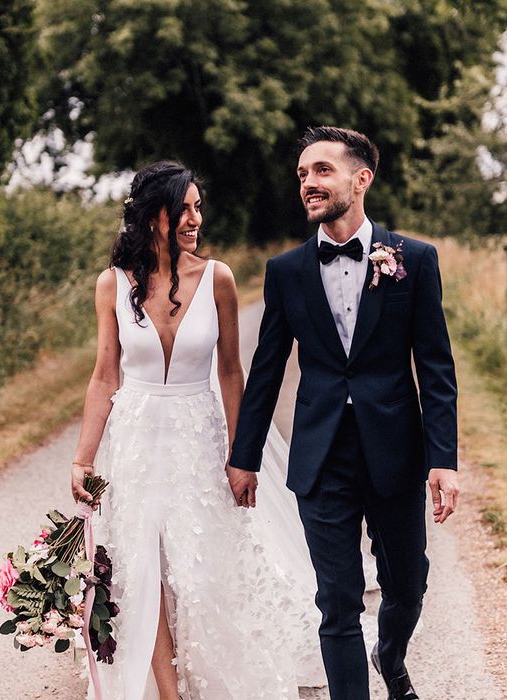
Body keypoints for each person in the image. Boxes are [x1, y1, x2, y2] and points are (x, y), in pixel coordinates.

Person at [69, 160, 326, 700]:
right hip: (136, 441)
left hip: (198, 437)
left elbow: (232, 372)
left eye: (197, 206)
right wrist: (83, 458)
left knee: (202, 569)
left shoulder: (219, 279)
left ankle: (213, 671)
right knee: (145, 569)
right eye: (183, 207)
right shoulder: (111, 284)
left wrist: (243, 454)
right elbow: (104, 374)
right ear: (151, 215)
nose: (195, 218)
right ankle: (169, 692)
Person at [228, 126, 460, 700]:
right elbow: (266, 370)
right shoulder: (286, 272)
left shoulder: (414, 260)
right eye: (303, 173)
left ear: (362, 179)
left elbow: (436, 367)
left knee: (407, 585)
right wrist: (244, 458)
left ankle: (392, 655)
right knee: (336, 601)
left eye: (322, 170)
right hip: (321, 455)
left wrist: (443, 460)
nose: (308, 182)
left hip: (396, 452)